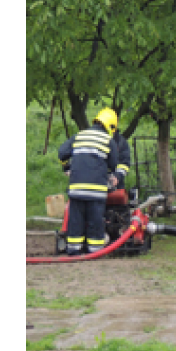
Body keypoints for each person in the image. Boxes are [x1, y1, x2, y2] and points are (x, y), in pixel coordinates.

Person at [58, 108, 119, 255]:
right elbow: (113, 164)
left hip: (76, 189)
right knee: (95, 222)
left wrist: (67, 167)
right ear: (110, 126)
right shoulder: (108, 140)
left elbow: (62, 153)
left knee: (75, 220)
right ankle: (94, 252)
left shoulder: (79, 136)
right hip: (96, 191)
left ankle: (73, 250)